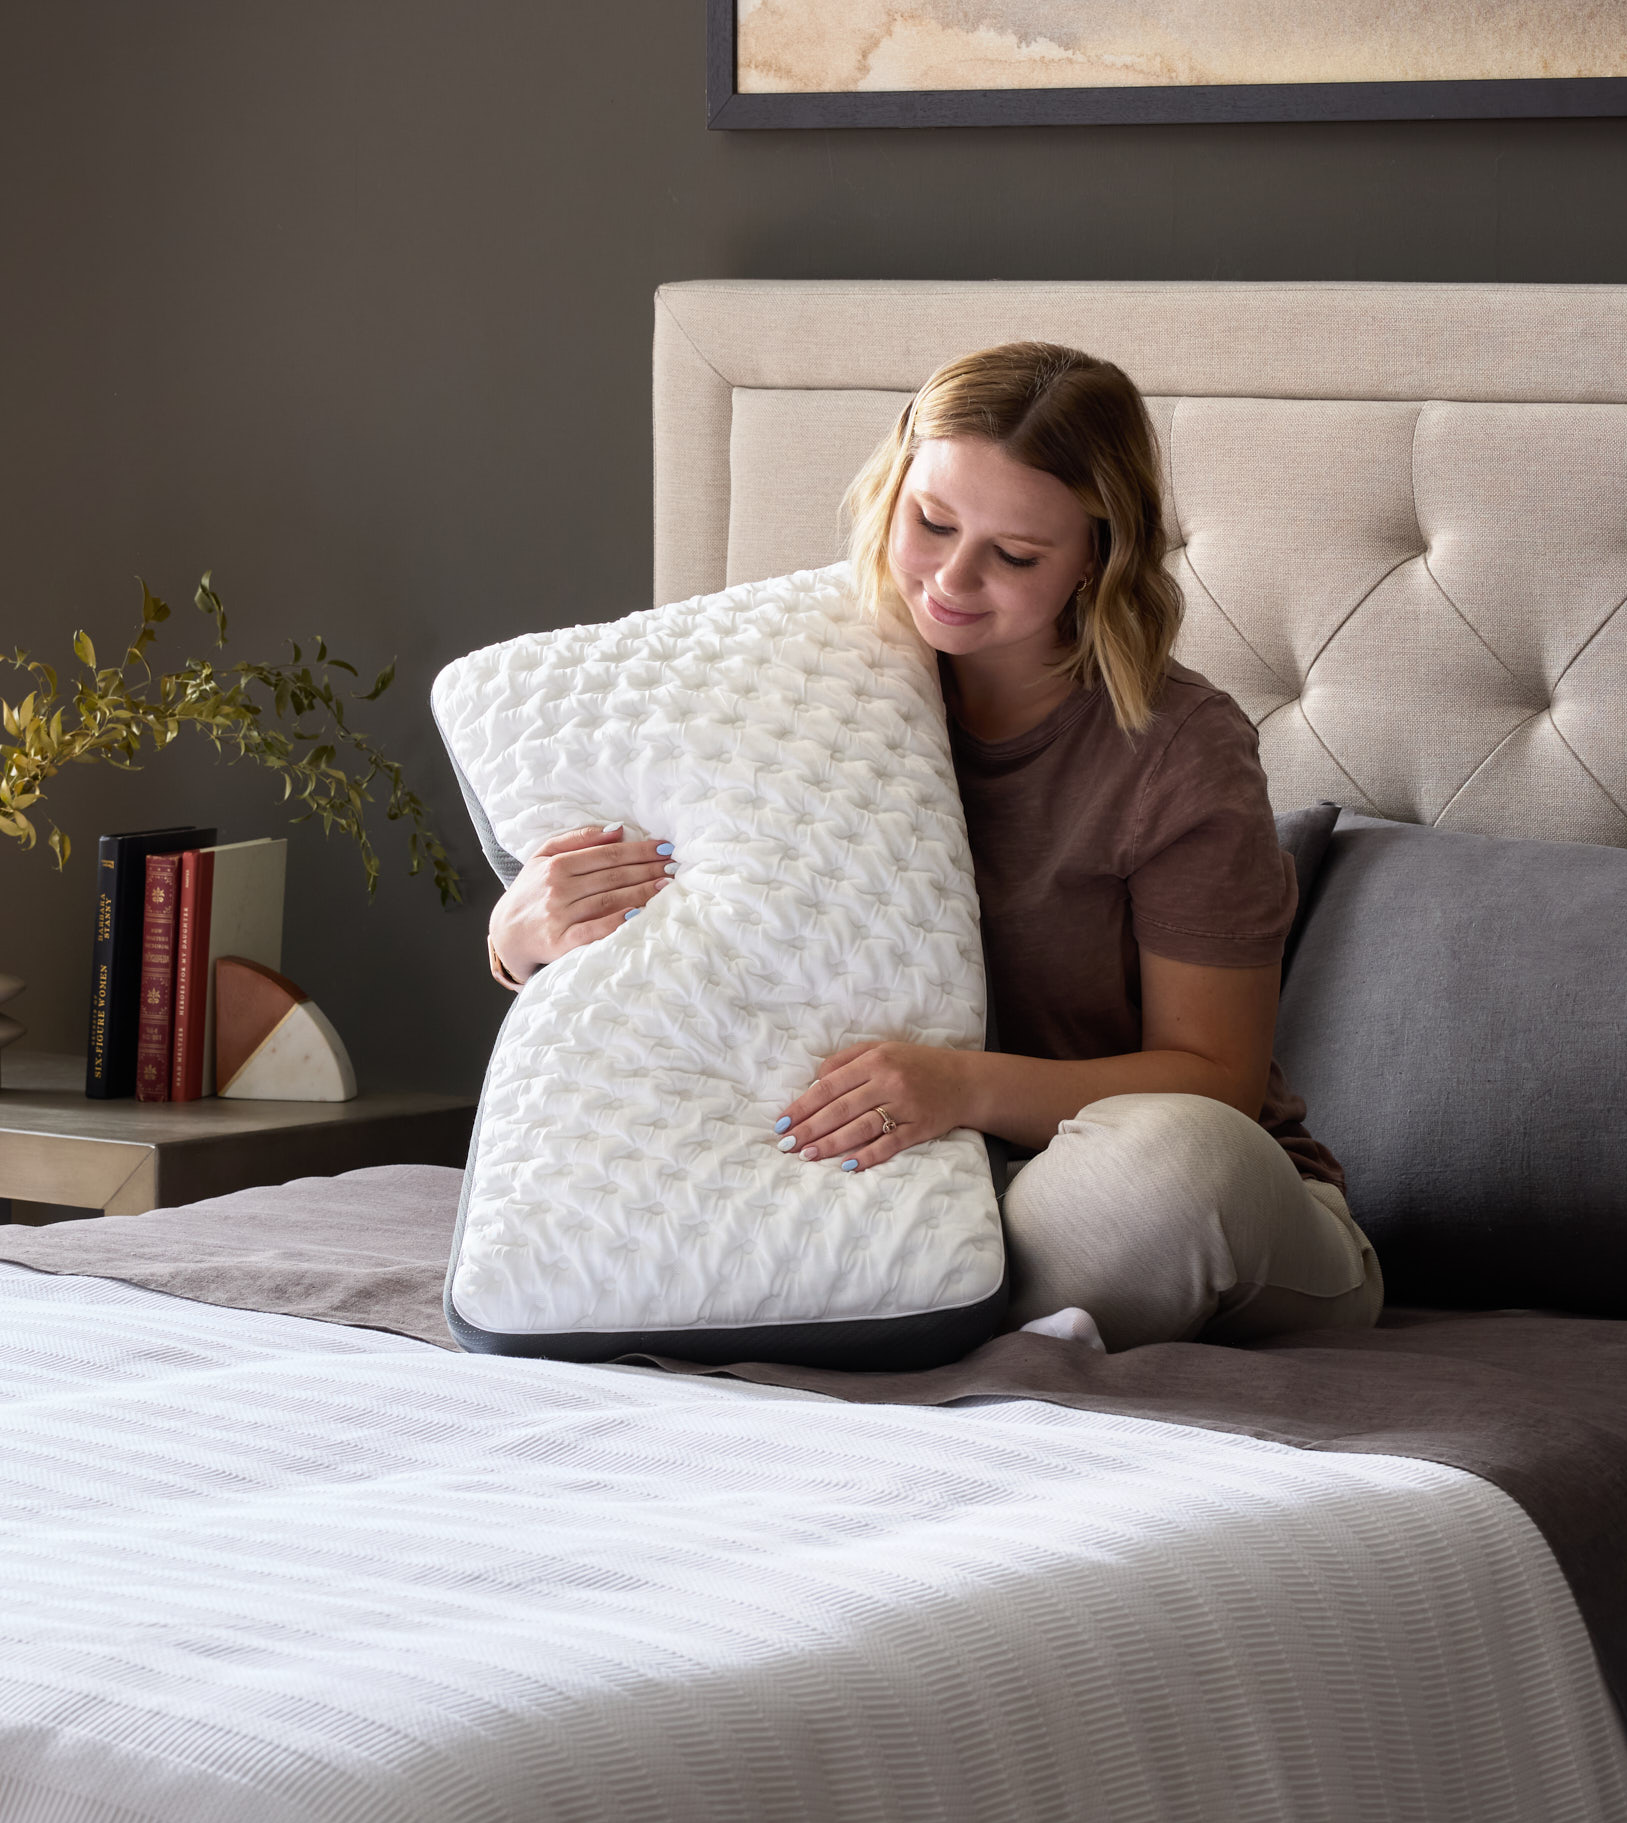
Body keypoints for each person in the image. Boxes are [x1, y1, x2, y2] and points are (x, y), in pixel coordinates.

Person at [486, 340, 1381, 1350]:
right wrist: (522, 941)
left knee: (1170, 1171)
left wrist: (961, 1085)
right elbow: (697, 946)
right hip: (895, 1178)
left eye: (1016, 555)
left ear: (1096, 556)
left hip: (1132, 1188)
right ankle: (878, 1312)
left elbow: (1215, 1076)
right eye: (932, 522)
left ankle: (882, 1313)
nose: (953, 578)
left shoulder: (1178, 750)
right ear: (895, 486)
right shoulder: (793, 682)